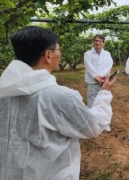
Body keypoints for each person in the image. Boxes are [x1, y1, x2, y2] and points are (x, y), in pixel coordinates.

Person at [0, 26, 115, 180]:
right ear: (48, 55)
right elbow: (92, 126)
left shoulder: (4, 92)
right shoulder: (60, 96)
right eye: (58, 50)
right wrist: (105, 93)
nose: (60, 54)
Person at [84, 34, 113, 132]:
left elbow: (109, 65)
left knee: (105, 100)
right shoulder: (87, 54)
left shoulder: (107, 54)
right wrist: (96, 76)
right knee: (92, 100)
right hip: (93, 81)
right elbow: (88, 66)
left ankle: (105, 123)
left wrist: (103, 76)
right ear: (93, 42)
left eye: (100, 41)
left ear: (103, 43)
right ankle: (91, 122)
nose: (98, 43)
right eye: (96, 41)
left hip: (104, 81)